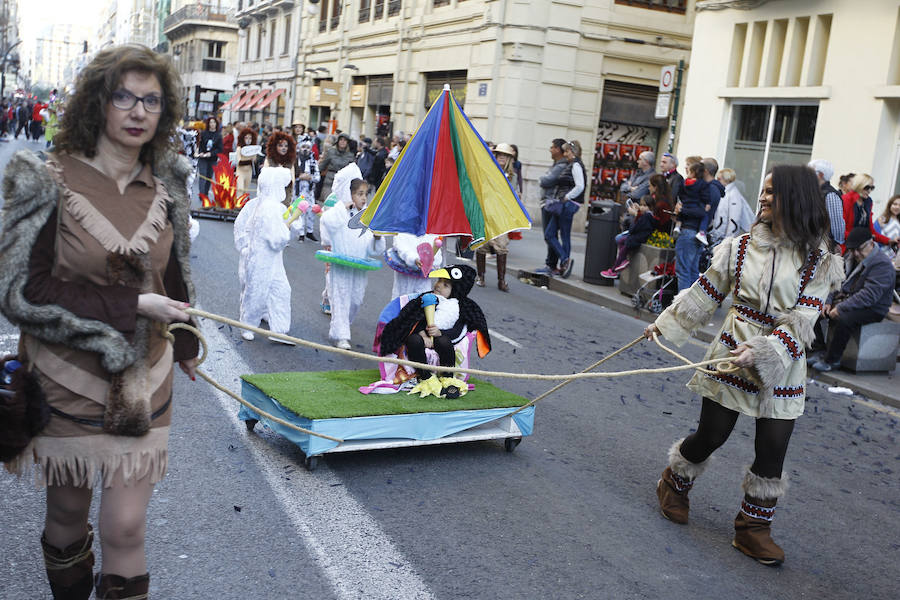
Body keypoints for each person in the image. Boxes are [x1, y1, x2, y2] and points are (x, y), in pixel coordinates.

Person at [0, 44, 200, 598]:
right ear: (97, 103)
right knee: (67, 514)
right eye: (124, 97)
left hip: (144, 376)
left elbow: (174, 274)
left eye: (152, 100)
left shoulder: (169, 185)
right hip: (62, 374)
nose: (138, 111)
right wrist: (130, 307)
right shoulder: (42, 180)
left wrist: (184, 345)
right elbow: (19, 291)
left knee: (126, 525)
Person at [645, 165, 844, 567]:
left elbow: (803, 320)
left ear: (796, 198)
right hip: (731, 354)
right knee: (710, 436)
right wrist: (665, 323)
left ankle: (753, 530)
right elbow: (706, 291)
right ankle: (674, 483)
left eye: (773, 192)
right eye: (764, 191)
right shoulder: (738, 247)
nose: (764, 197)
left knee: (772, 451)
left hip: (783, 365)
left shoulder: (820, 262)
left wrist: (766, 352)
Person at [379, 264, 491, 399]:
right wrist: (422, 334)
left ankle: (447, 377)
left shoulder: (460, 307)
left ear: (456, 290)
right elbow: (414, 320)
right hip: (422, 336)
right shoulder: (426, 298)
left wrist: (440, 333)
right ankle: (425, 376)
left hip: (443, 336)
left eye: (445, 285)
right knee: (413, 340)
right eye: (439, 281)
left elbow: (459, 330)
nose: (438, 285)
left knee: (444, 342)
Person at [233, 167, 305, 344]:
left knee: (281, 291)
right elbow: (277, 239)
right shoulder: (268, 207)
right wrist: (287, 227)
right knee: (255, 292)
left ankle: (279, 330)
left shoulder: (274, 206)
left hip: (273, 260)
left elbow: (288, 221)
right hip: (260, 259)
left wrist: (293, 218)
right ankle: (248, 325)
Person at [811, 227, 896, 372]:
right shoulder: (851, 256)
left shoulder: (882, 264)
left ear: (871, 243)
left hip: (874, 307)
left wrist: (841, 307)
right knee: (814, 307)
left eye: (860, 249)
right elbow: (836, 281)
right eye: (852, 250)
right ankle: (819, 349)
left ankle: (832, 360)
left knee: (845, 319)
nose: (856, 253)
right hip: (848, 298)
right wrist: (828, 301)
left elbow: (869, 296)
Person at [319, 166, 385, 349]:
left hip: (359, 268)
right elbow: (326, 224)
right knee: (340, 298)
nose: (363, 198)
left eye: (365, 194)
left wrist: (378, 237)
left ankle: (342, 328)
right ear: (350, 195)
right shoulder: (339, 213)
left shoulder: (366, 218)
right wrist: (343, 206)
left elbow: (375, 250)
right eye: (359, 194)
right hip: (340, 266)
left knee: (355, 300)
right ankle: (341, 335)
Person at [601, 174, 672, 278]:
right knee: (620, 239)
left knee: (624, 240)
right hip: (644, 230)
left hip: (650, 233)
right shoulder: (655, 199)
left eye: (650, 186)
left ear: (655, 187)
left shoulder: (660, 203)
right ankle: (620, 263)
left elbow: (652, 222)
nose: (649, 188)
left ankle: (615, 268)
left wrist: (637, 213)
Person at [475, 142, 518, 291]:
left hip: (501, 215)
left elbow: (512, 195)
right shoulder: (487, 171)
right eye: (500, 155)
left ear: (509, 159)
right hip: (486, 211)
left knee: (501, 246)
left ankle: (501, 280)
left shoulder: (512, 176)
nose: (502, 158)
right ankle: (481, 276)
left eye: (505, 156)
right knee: (481, 245)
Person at [543, 140, 585, 279]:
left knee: (563, 234)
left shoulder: (576, 165)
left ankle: (565, 261)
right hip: (565, 203)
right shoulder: (572, 164)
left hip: (569, 203)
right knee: (550, 234)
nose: (565, 154)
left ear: (573, 152)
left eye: (567, 151)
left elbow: (580, 186)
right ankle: (565, 260)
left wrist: (567, 196)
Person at [673, 161, 711, 290]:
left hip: (687, 231)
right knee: (693, 270)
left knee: (683, 271)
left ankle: (682, 306)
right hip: (698, 232)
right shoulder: (704, 190)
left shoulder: (687, 187)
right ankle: (693, 305)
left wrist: (681, 210)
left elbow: (699, 211)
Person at [535, 138, 569, 275]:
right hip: (551, 204)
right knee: (551, 234)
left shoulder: (561, 166)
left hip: (551, 204)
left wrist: (542, 179)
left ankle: (554, 263)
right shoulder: (558, 165)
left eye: (552, 147)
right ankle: (553, 264)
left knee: (549, 235)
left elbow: (547, 180)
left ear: (559, 150)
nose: (550, 149)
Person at [841, 174, 892, 253]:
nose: (869, 191)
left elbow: (871, 231)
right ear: (859, 185)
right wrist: (859, 239)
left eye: (872, 188)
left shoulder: (868, 202)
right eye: (867, 187)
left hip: (862, 247)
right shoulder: (846, 199)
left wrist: (889, 241)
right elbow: (841, 230)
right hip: (846, 247)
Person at [387, 233, 444, 299]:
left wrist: (430, 260)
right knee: (401, 303)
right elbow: (401, 247)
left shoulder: (433, 235)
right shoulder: (403, 232)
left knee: (420, 303)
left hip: (422, 283)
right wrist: (414, 259)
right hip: (404, 280)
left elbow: (437, 260)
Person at [709, 168, 755, 244]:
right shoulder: (726, 192)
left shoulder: (733, 195)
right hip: (719, 235)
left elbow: (734, 219)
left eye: (719, 179)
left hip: (724, 238)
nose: (717, 181)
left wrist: (729, 239)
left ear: (726, 179)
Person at [807, 159, 845, 247]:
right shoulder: (814, 192)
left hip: (824, 247)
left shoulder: (830, 195)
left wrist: (834, 246)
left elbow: (836, 227)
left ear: (820, 175)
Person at [295, 139, 321, 241]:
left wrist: (310, 177)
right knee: (300, 211)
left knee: (311, 211)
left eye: (308, 148)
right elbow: (291, 176)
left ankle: (309, 231)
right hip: (297, 191)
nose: (305, 150)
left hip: (309, 192)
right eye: (303, 147)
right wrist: (300, 177)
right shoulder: (295, 161)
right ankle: (301, 233)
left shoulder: (313, 162)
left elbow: (317, 177)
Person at [317, 132, 354, 201]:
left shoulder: (350, 156)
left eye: (345, 140)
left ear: (347, 143)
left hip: (343, 183)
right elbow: (322, 165)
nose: (342, 142)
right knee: (328, 204)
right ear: (338, 141)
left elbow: (352, 171)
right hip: (330, 181)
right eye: (341, 140)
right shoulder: (331, 152)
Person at [263, 130, 297, 204]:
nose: (283, 148)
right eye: (280, 146)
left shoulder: (290, 162)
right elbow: (264, 177)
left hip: (285, 194)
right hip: (271, 194)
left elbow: (292, 180)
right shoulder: (269, 160)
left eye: (286, 146)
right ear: (275, 147)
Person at [196, 115, 223, 200]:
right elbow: (199, 145)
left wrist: (211, 154)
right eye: (210, 122)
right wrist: (200, 153)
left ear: (216, 124)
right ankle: (202, 195)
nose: (212, 124)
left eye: (214, 122)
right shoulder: (204, 133)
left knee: (209, 177)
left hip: (212, 159)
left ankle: (206, 193)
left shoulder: (218, 135)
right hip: (203, 158)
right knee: (203, 176)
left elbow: (219, 149)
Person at [234, 126, 258, 195]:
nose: (248, 140)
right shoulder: (239, 148)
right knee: (240, 189)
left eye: (250, 138)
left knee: (246, 191)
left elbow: (254, 160)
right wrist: (249, 159)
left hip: (249, 172)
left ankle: (243, 205)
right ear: (242, 138)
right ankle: (238, 205)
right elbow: (239, 161)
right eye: (246, 138)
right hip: (240, 171)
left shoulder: (253, 150)